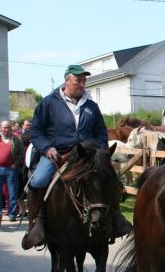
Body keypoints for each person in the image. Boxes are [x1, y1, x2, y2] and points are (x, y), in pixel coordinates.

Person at [23, 64, 131, 250]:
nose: (82, 84)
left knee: (110, 178)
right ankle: (35, 225)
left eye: (84, 81)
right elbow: (37, 132)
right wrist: (47, 148)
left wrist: (101, 151)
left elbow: (100, 132)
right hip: (58, 154)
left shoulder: (91, 106)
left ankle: (114, 218)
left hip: (86, 155)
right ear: (67, 80)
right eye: (78, 80)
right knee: (38, 180)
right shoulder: (48, 103)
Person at [0, 121, 25, 222]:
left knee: (12, 193)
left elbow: (21, 154)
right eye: (5, 128)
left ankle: (12, 214)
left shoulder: (16, 140)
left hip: (11, 170)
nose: (7, 129)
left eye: (8, 128)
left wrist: (16, 164)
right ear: (1, 128)